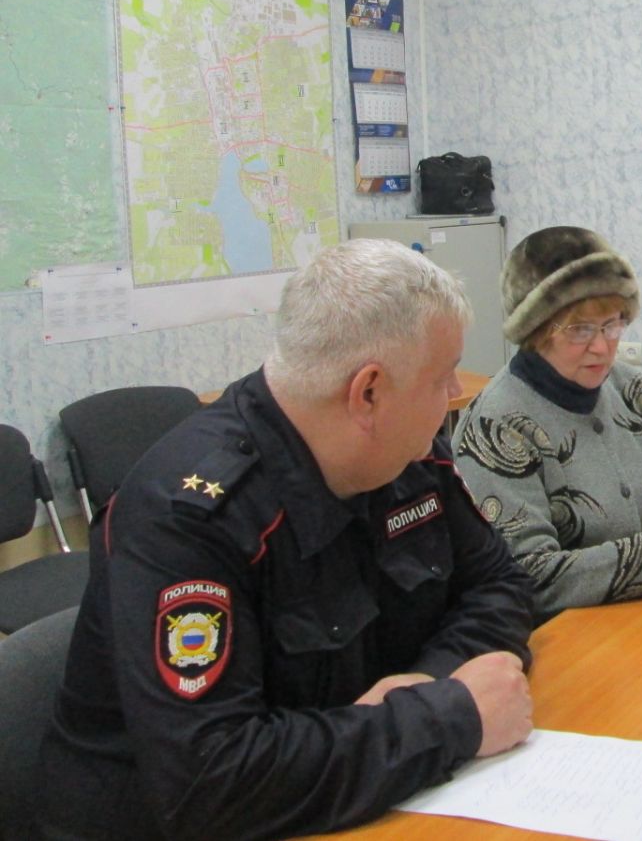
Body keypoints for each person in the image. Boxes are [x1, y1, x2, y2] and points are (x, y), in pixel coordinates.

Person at [38, 238, 537, 841]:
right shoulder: (190, 521)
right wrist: (448, 718)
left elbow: (499, 584)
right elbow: (210, 784)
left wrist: (429, 685)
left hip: (350, 798)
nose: (453, 392)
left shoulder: (405, 457)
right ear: (369, 392)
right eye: (441, 377)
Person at [454, 225, 642, 619]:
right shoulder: (497, 428)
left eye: (612, 325)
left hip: (640, 617)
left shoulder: (627, 387)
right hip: (567, 637)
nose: (602, 346)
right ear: (536, 331)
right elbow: (531, 577)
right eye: (580, 329)